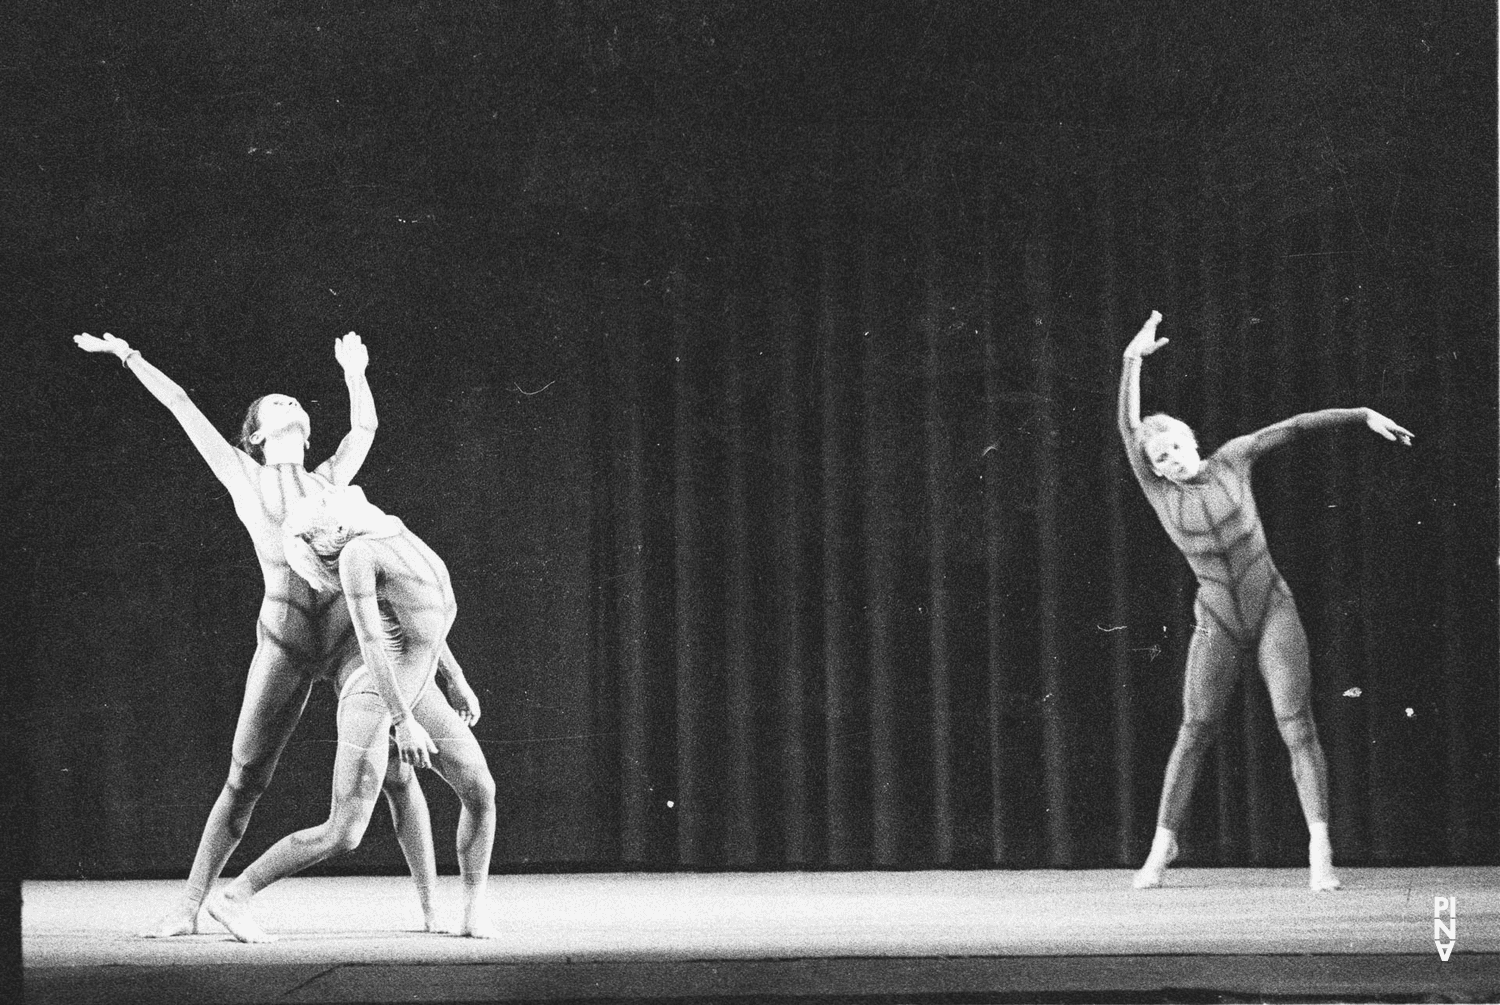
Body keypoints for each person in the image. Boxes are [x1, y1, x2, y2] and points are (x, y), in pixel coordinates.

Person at [74, 331, 481, 935]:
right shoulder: (242, 473)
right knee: (244, 779)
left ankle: (430, 910)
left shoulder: (332, 480)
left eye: (294, 402)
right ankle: (189, 908)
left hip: (351, 643)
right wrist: (130, 357)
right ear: (256, 434)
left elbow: (364, 430)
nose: (289, 403)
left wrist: (354, 371)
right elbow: (183, 404)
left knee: (397, 772)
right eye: (275, 403)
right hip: (286, 643)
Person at [1117, 311, 1412, 892]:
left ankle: (1320, 848)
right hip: (1219, 621)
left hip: (1273, 608)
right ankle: (1162, 846)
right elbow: (1129, 429)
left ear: (1191, 439)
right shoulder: (1156, 490)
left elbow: (1298, 425)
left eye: (1176, 447)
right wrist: (1133, 360)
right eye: (1161, 458)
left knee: (1295, 723)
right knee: (1195, 727)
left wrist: (1362, 415)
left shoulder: (1234, 459)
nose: (1171, 460)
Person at [204, 485, 498, 941]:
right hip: (377, 697)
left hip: (416, 691)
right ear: (334, 529)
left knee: (480, 789)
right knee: (345, 831)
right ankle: (233, 897)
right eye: (324, 504)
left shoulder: (393, 531)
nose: (335, 494)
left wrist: (455, 679)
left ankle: (473, 911)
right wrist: (401, 720)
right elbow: (371, 642)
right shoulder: (358, 555)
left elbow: (431, 618)